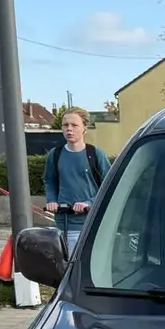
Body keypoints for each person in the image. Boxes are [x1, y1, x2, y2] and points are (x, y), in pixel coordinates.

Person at [43, 108, 111, 255]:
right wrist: (52, 200)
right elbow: (50, 181)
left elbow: (109, 186)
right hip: (62, 223)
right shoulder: (55, 155)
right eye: (65, 125)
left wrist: (89, 203)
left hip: (89, 223)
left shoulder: (95, 154)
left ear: (84, 129)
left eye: (74, 125)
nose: (69, 129)